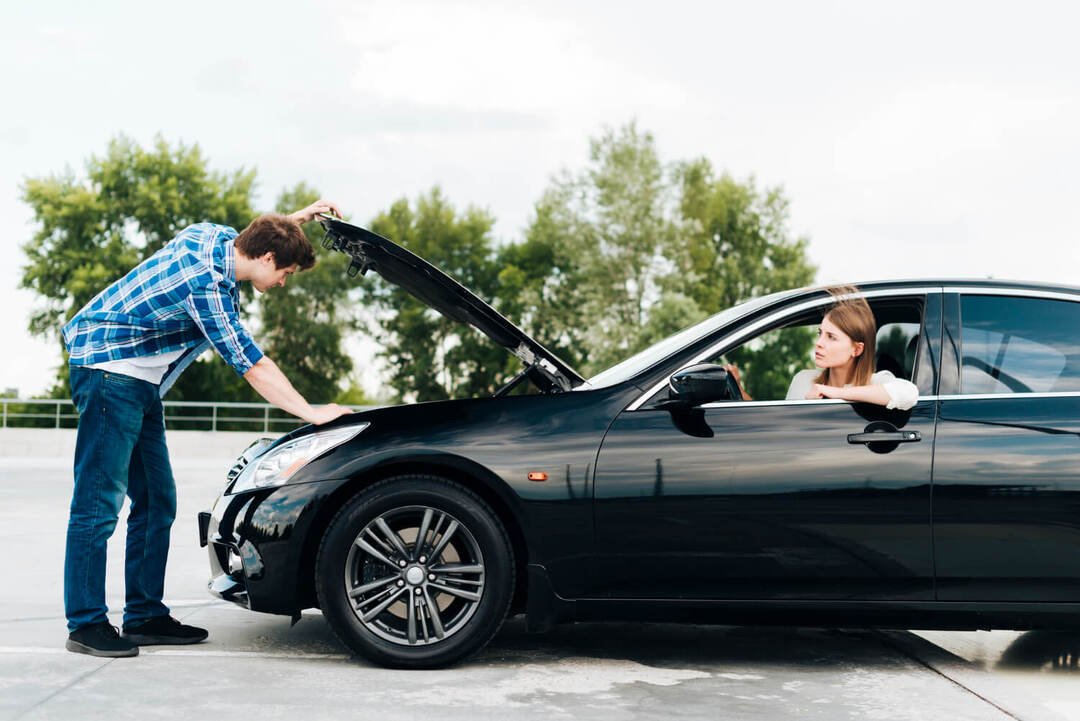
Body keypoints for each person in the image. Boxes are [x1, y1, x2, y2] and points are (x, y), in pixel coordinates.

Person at [60, 200, 353, 658]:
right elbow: (252, 364)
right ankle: (85, 624)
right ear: (270, 260)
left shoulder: (211, 237)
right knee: (98, 505)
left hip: (140, 381)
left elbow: (257, 236)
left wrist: (296, 220)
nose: (282, 283)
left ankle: (143, 615)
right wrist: (311, 413)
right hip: (107, 372)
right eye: (287, 273)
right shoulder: (208, 288)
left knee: (158, 501)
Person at [785, 287, 918, 410]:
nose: (819, 343)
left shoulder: (874, 382)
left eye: (831, 337)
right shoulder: (803, 380)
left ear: (857, 349)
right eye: (820, 333)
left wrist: (836, 393)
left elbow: (910, 393)